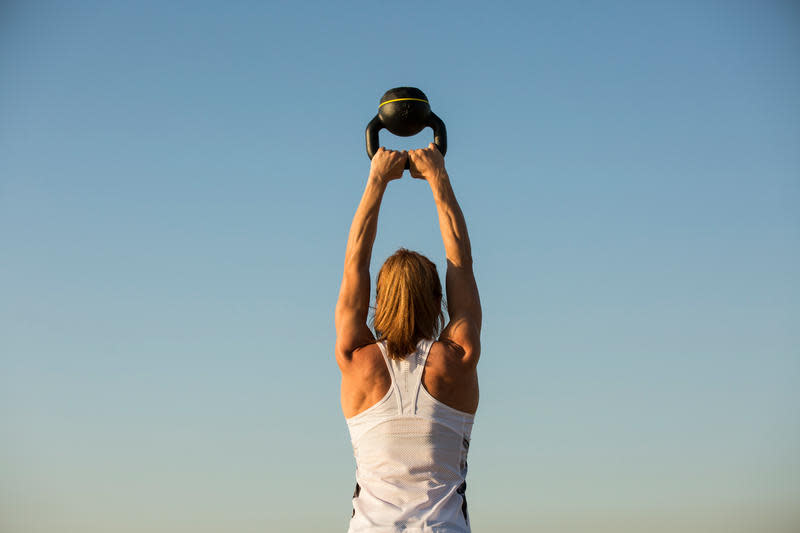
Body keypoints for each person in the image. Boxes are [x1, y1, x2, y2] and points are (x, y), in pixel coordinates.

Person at [335, 143, 482, 533]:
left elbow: (355, 265)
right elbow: (461, 264)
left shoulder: (355, 360)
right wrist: (438, 178)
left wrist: (377, 181)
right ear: (439, 302)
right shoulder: (459, 358)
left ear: (378, 301)